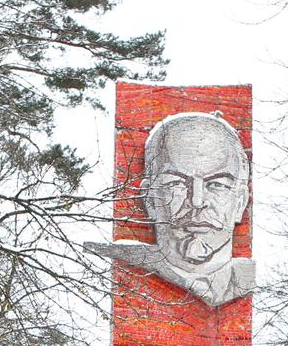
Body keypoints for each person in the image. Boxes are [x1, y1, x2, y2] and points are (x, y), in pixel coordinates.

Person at [84, 112, 254, 308]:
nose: (197, 201)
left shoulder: (262, 279)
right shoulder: (110, 265)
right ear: (149, 199)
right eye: (176, 183)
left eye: (217, 185)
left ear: (241, 202)